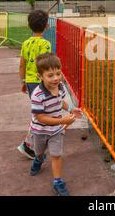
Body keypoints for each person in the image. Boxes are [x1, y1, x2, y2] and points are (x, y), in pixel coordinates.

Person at [29, 53, 82, 196]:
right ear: (40, 76)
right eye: (50, 75)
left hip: (56, 130)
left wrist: (70, 109)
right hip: (40, 130)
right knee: (39, 151)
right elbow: (40, 118)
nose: (56, 78)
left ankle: (58, 181)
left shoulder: (61, 87)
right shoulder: (37, 95)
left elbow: (60, 102)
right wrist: (63, 121)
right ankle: (39, 159)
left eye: (58, 73)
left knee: (56, 155)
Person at [17, 9, 52, 159]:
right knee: (41, 113)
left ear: (29, 26)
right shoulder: (45, 44)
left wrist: (23, 81)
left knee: (39, 111)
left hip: (30, 82)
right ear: (46, 26)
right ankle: (28, 144)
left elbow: (21, 65)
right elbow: (47, 65)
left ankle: (38, 140)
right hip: (42, 82)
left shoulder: (25, 43)